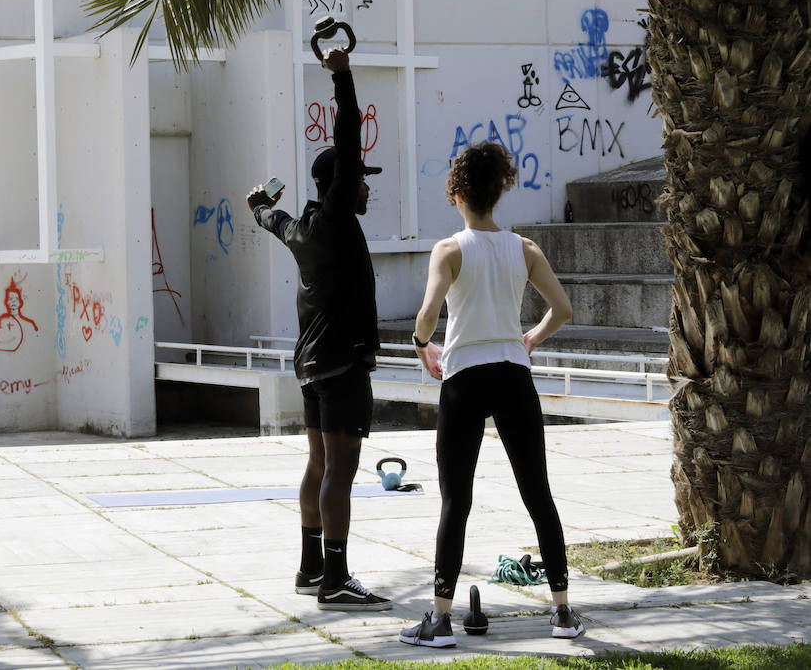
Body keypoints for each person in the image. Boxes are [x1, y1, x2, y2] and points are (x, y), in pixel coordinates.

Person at [399, 141, 582, 648]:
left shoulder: (450, 250)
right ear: (500, 190)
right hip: (513, 375)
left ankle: (439, 620)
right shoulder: (525, 250)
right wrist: (530, 338)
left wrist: (421, 347)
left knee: (456, 500)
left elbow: (429, 314)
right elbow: (562, 308)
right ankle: (563, 613)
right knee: (538, 494)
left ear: (457, 194)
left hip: (464, 376)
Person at [247, 44, 390, 612]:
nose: (367, 186)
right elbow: (350, 140)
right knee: (342, 469)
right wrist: (343, 78)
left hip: (311, 366)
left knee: (317, 464)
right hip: (341, 362)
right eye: (361, 179)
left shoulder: (300, 227)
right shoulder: (332, 218)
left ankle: (310, 569)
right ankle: (336, 577)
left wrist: (258, 206)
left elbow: (270, 217)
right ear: (342, 183)